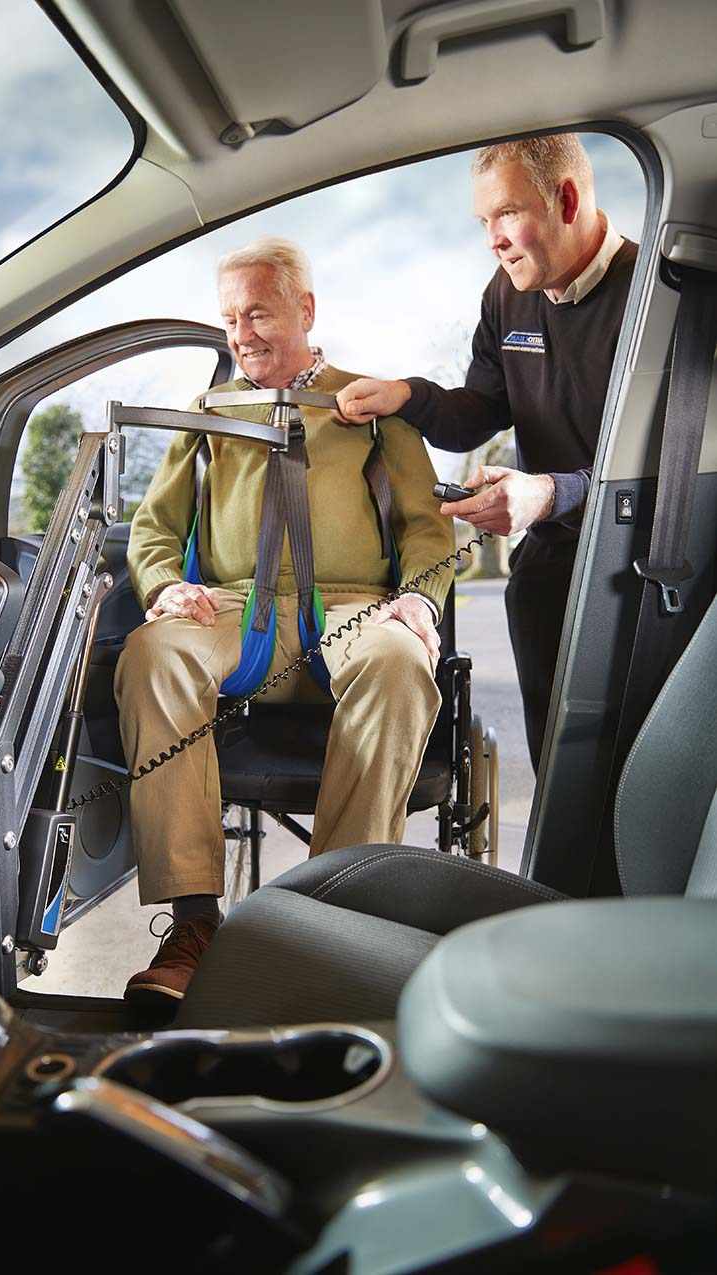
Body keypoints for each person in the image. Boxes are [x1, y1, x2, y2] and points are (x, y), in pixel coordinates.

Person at [115, 237, 455, 1006]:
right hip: (237, 608)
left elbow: (428, 530)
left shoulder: (373, 408)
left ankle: (333, 920)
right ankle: (194, 922)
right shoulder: (207, 413)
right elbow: (153, 529)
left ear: (305, 309)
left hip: (352, 605)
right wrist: (166, 586)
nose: (242, 333)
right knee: (152, 652)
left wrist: (418, 602)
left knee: (402, 660)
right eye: (231, 318)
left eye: (259, 312)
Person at [335, 135, 638, 772]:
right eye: (483, 222)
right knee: (561, 770)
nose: (492, 240)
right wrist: (406, 394)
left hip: (643, 569)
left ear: (567, 198)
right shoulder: (506, 294)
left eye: (506, 215)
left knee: (636, 771)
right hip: (550, 569)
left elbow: (671, 468)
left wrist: (551, 492)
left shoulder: (654, 299)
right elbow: (476, 416)